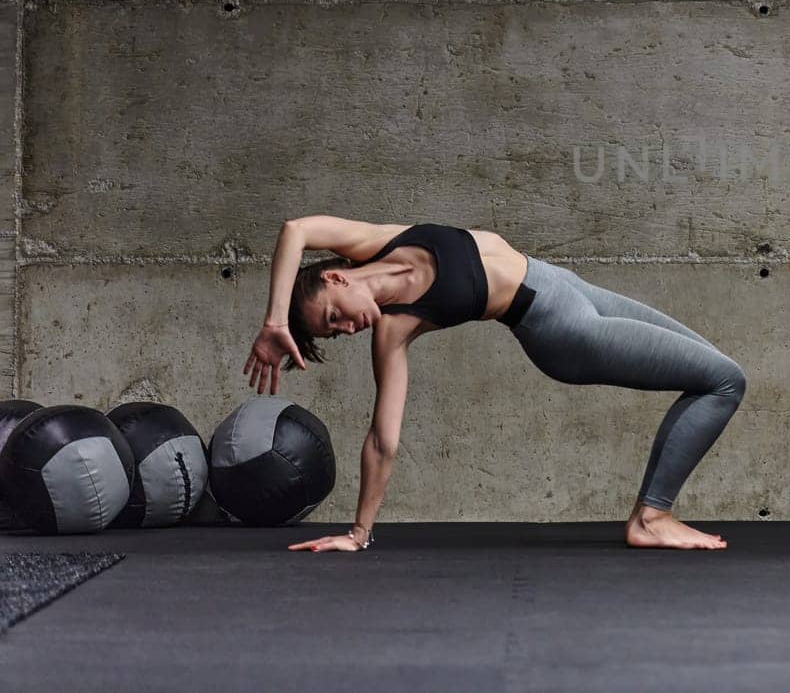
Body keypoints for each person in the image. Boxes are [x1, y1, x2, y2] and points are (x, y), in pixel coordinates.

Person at [243, 215, 746, 551]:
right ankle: (651, 518)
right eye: (336, 332)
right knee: (725, 380)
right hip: (564, 330)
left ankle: (650, 516)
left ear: (336, 278)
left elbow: (296, 229)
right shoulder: (396, 328)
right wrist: (358, 533)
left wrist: (275, 323)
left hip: (564, 284)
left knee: (716, 369)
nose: (348, 329)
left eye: (334, 318)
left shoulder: (378, 240)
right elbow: (383, 440)